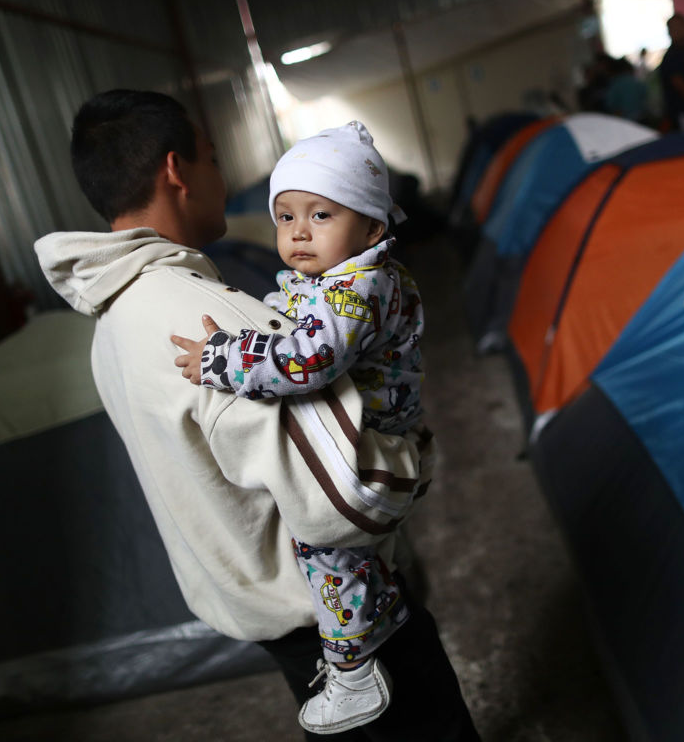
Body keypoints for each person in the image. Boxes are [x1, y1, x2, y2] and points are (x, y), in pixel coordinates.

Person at [34, 90, 480, 742]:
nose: (296, 228)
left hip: (254, 598)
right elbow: (342, 497)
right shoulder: (204, 322)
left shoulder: (111, 317)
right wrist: (411, 465)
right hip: (330, 606)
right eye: (213, 157)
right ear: (177, 171)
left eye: (319, 214)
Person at [172, 121, 425, 734]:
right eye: (286, 217)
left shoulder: (357, 289)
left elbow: (302, 361)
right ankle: (380, 608)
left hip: (367, 453)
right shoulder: (342, 281)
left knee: (324, 546)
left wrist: (219, 359)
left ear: (371, 227)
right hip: (372, 440)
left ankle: (354, 671)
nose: (299, 232)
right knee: (346, 553)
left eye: (320, 214)